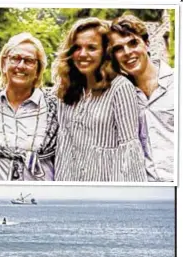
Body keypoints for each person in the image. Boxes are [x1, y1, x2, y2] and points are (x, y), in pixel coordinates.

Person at [53, 17, 146, 182]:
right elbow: (64, 147)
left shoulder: (120, 87)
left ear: (105, 51)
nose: (82, 54)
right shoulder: (66, 89)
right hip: (72, 188)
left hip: (107, 191)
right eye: (77, 48)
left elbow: (130, 150)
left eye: (91, 48)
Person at [0, 33, 58, 181]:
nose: (20, 66)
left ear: (38, 69)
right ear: (4, 63)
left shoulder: (56, 108)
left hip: (41, 199)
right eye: (15, 59)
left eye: (29, 61)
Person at [109, 15, 174, 182]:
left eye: (133, 43)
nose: (127, 52)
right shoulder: (120, 96)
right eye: (118, 48)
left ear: (146, 43)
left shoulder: (177, 83)